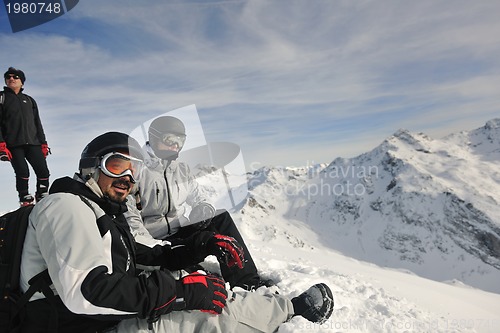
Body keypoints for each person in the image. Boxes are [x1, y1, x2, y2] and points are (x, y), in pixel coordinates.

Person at [19, 131, 334, 332]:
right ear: (91, 166)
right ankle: (292, 309)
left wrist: (198, 247)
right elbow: (86, 294)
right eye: (117, 165)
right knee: (210, 315)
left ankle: (252, 291)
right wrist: (182, 294)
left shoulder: (99, 211)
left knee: (192, 281)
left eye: (135, 170)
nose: (128, 176)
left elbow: (141, 255)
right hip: (84, 324)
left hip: (98, 317)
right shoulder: (67, 206)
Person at [125, 116, 270, 291]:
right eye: (170, 140)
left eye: (181, 141)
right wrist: (164, 252)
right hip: (155, 242)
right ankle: (185, 269)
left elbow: (199, 196)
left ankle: (246, 281)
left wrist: (203, 209)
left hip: (179, 231)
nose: (175, 146)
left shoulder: (180, 169)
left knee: (220, 218)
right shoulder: (137, 170)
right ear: (154, 138)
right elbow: (132, 225)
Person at [0, 67, 51, 206]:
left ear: (22, 81)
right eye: (8, 77)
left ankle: (42, 194)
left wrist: (43, 143)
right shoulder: (2, 97)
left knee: (43, 170)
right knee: (22, 171)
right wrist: (1, 144)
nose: (11, 79)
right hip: (13, 144)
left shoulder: (29, 100)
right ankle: (24, 197)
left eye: (15, 77)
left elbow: (37, 124)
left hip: (33, 142)